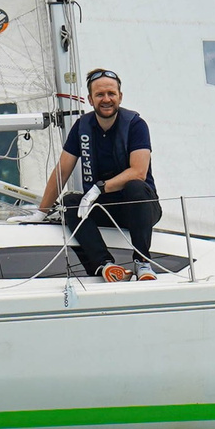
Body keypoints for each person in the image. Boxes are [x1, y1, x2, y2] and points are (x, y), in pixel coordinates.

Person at [36, 68, 161, 279]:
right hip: (103, 209)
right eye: (100, 94)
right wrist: (42, 212)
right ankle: (105, 265)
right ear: (90, 100)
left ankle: (142, 263)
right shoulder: (82, 127)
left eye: (111, 94)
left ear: (120, 96)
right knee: (70, 201)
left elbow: (139, 172)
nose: (106, 99)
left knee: (135, 187)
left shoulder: (136, 125)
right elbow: (63, 170)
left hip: (140, 210)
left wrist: (99, 188)